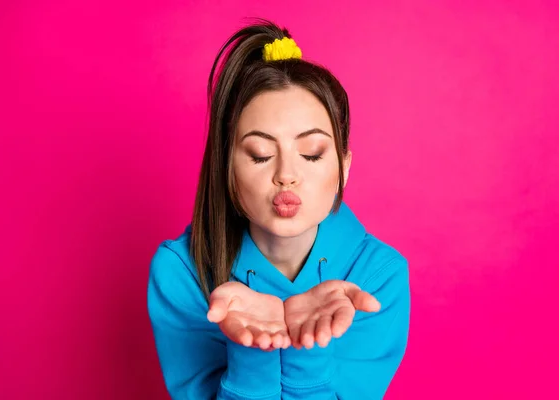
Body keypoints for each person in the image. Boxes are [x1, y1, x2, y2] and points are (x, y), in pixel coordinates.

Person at [147, 19, 410, 400]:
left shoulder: (378, 277)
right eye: (260, 155)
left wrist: (306, 349)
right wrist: (252, 351)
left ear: (344, 168)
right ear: (227, 170)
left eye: (311, 153)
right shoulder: (180, 272)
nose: (286, 175)